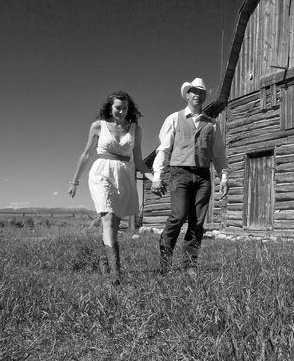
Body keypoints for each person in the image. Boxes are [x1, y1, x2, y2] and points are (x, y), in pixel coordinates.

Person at [69, 91, 156, 285]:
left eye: (125, 108)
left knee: (113, 225)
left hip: (124, 175)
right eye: (118, 107)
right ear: (110, 107)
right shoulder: (98, 126)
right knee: (107, 218)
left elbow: (140, 161)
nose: (122, 111)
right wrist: (75, 181)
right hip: (101, 173)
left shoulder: (135, 129)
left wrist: (154, 178)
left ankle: (104, 266)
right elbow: (85, 155)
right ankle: (115, 274)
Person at [151, 77, 228, 275]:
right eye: (193, 91)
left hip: (203, 175)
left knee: (197, 221)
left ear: (203, 97)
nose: (197, 95)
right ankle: (165, 260)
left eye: (201, 92)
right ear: (187, 95)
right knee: (178, 215)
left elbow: (218, 153)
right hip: (180, 172)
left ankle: (189, 265)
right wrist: (158, 175)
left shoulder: (212, 124)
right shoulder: (174, 118)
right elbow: (164, 149)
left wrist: (224, 176)